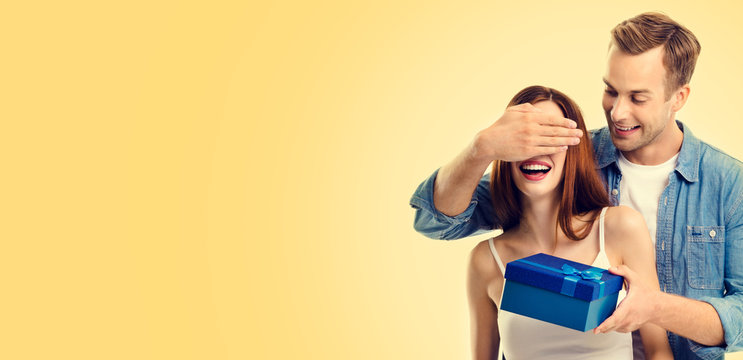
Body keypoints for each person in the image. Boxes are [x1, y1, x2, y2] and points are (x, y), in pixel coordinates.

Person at [410, 12, 743, 360]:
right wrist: (481, 148)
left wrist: (656, 308)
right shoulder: (567, 153)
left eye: (638, 98)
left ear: (679, 97)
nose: (617, 113)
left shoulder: (728, 184)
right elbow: (437, 221)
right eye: (610, 90)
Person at [467, 85, 672, 360]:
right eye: (525, 139)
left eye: (550, 138)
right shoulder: (485, 260)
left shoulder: (620, 228)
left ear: (573, 150)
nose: (535, 151)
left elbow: (658, 351)